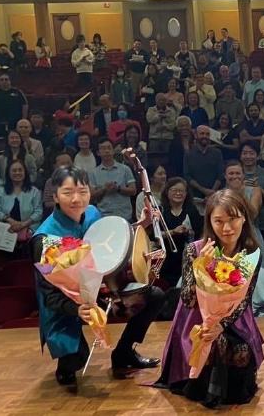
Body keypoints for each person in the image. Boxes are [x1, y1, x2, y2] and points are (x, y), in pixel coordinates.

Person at [32, 166, 165, 387]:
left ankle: (124, 352)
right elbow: (47, 295)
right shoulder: (44, 238)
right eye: (67, 192)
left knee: (155, 296)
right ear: (54, 196)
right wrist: (77, 309)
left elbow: (108, 242)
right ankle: (66, 364)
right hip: (65, 305)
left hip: (101, 292)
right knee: (75, 361)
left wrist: (142, 224)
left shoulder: (93, 212)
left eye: (82, 191)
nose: (76, 199)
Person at [154, 190, 264, 407]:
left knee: (236, 349)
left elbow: (245, 300)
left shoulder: (251, 251)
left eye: (232, 219)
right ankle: (211, 391)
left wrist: (221, 325)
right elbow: (187, 300)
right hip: (196, 319)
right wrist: (201, 268)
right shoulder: (193, 250)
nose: (226, 228)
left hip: (235, 319)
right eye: (218, 221)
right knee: (213, 343)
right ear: (209, 222)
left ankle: (227, 389)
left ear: (244, 217)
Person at [156, 177, 201, 288]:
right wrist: (173, 232)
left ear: (186, 193)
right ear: (167, 192)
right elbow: (155, 237)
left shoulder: (191, 210)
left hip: (187, 259)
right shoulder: (161, 211)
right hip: (166, 261)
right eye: (174, 190)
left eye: (181, 191)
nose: (178, 193)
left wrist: (190, 232)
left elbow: (200, 234)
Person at [0, 159, 43, 251]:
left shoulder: (34, 191)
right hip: (7, 227)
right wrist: (10, 221)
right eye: (14, 170)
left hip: (29, 227)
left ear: (25, 172)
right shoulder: (0, 191)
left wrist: (23, 224)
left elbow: (39, 212)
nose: (17, 173)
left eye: (20, 170)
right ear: (8, 173)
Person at [89, 138, 136, 220]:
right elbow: (91, 196)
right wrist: (104, 189)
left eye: (109, 148)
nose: (107, 151)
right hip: (104, 216)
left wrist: (118, 188)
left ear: (113, 151)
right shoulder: (93, 173)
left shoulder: (125, 169)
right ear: (98, 153)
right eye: (103, 149)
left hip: (124, 215)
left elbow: (133, 190)